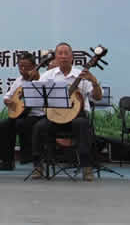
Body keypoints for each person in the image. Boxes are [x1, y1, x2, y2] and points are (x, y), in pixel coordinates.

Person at [30, 42, 103, 181]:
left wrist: (94, 81)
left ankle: (86, 167)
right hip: (55, 117)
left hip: (76, 117)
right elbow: (38, 96)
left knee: (82, 124)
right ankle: (38, 166)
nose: (63, 56)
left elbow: (98, 98)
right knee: (39, 127)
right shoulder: (48, 75)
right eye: (60, 53)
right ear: (55, 57)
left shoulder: (81, 75)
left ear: (72, 57)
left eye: (66, 53)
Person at [0, 52, 44, 171]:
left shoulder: (41, 80)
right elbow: (7, 96)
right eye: (20, 66)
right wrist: (8, 101)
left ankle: (27, 157)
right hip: (20, 114)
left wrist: (35, 80)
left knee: (21, 124)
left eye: (26, 67)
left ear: (34, 67)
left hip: (37, 115)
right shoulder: (18, 81)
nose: (23, 69)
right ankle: (7, 162)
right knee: (4, 125)